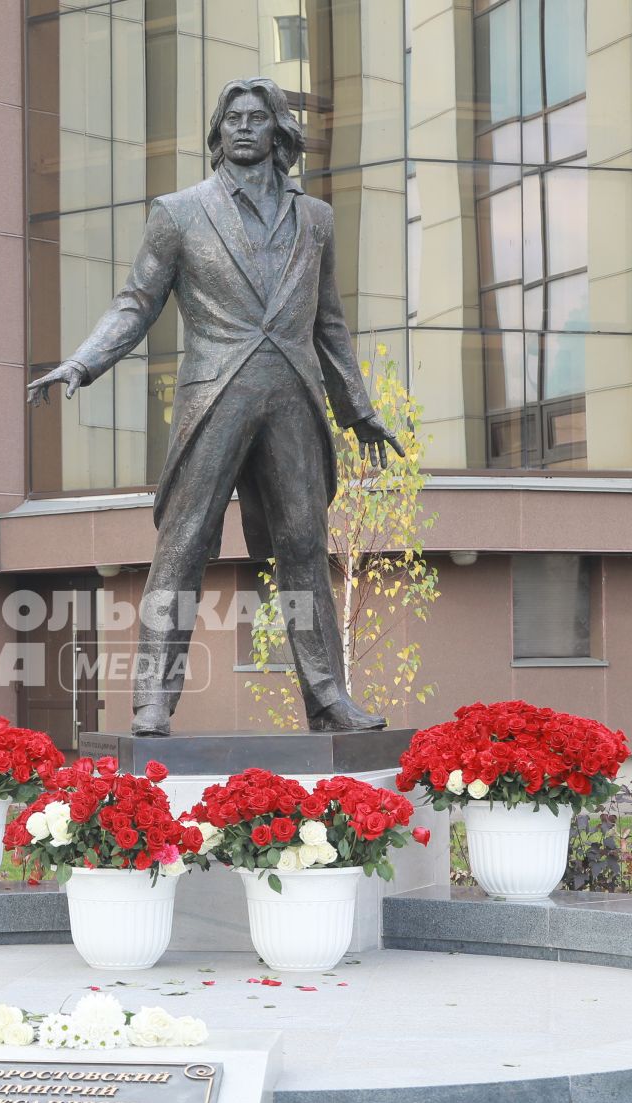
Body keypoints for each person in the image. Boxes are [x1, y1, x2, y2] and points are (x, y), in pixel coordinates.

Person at [26, 76, 402, 737]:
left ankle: (326, 698)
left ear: (279, 131)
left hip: (292, 398)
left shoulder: (315, 219)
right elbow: (136, 303)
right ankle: (151, 700)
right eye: (234, 119)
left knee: (304, 548)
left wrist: (356, 406)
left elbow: (330, 322)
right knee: (185, 544)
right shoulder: (179, 213)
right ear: (217, 133)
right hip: (215, 396)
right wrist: (83, 362)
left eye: (259, 118)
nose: (246, 128)